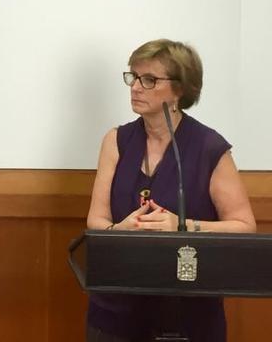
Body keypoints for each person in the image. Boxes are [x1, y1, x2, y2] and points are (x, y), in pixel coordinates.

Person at [85, 39, 256, 342]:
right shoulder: (115, 141)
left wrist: (184, 227)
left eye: (149, 79)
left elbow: (244, 228)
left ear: (180, 89)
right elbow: (96, 221)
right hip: (117, 310)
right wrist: (119, 230)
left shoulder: (209, 147)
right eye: (133, 77)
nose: (136, 87)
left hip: (187, 313)